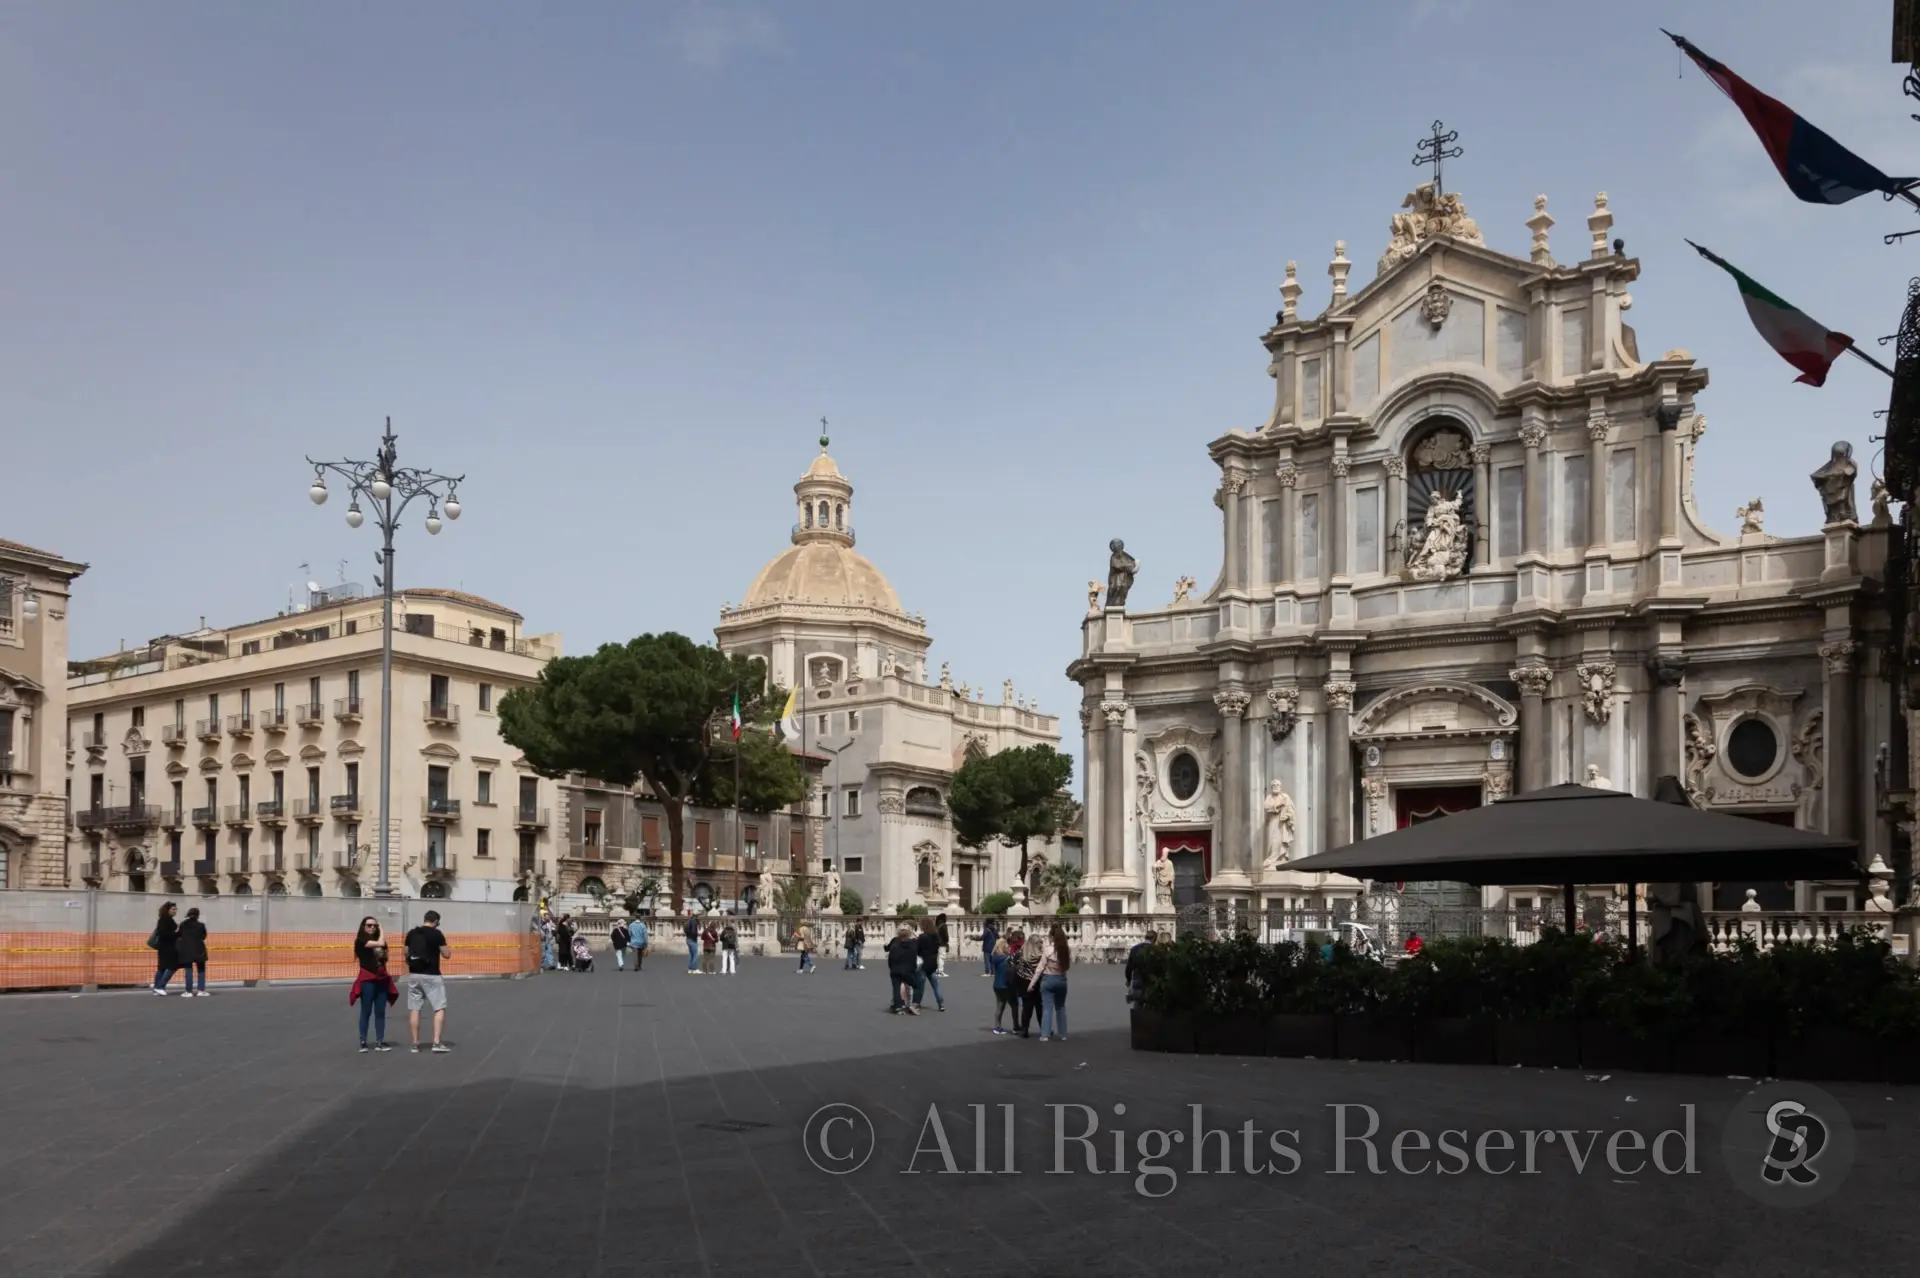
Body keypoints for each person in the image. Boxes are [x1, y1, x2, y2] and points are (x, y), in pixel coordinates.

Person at [403, 909, 452, 1054]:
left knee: (415, 1008)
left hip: (414, 974)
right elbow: (446, 954)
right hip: (432, 974)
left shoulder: (412, 933)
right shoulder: (436, 934)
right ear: (436, 922)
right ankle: (436, 1042)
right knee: (439, 1007)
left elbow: (405, 952)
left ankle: (415, 1043)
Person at [350, 917, 397, 1052]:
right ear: (363, 926)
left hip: (381, 979)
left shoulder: (380, 942)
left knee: (380, 1011)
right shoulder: (361, 941)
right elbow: (380, 943)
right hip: (367, 980)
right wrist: (382, 930)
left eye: (375, 926)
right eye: (369, 925)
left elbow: (385, 954)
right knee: (366, 1011)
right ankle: (363, 1041)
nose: (372, 928)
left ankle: (380, 1041)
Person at [1029, 924, 1072, 1041]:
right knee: (1061, 1007)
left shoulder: (1048, 950)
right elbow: (1066, 967)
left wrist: (1032, 983)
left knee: (1047, 1008)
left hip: (1048, 979)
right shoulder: (1065, 950)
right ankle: (1063, 1034)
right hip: (1061, 979)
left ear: (1052, 937)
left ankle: (1045, 1034)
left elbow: (1040, 968)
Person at [1009, 933, 1043, 1037]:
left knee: (1027, 1006)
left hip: (1023, 980)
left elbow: (1011, 961)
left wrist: (1019, 970)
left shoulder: (1021, 953)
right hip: (1037, 981)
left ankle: (1025, 1029)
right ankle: (1044, 1028)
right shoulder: (1041, 955)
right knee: (1039, 1006)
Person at [175, 907, 210, 997]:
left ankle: (188, 991)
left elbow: (179, 935)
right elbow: (203, 936)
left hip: (186, 950)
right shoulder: (201, 925)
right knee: (201, 970)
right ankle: (201, 990)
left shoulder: (183, 924)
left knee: (188, 970)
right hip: (199, 950)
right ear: (197, 915)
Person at [884, 925, 920, 1014]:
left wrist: (892, 968)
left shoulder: (895, 945)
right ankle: (911, 1004)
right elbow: (913, 959)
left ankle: (897, 1006)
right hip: (907, 970)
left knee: (896, 989)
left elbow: (890, 959)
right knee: (915, 986)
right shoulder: (913, 944)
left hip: (895, 970)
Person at [912, 916, 944, 1012]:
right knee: (935, 985)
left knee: (920, 986)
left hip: (923, 963)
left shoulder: (922, 937)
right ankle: (941, 1003)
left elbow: (917, 950)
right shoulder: (936, 935)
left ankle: (916, 1002)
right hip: (933, 963)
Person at [149, 902, 180, 996]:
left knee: (161, 968)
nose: (175, 911)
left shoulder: (165, 919)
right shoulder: (165, 920)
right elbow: (163, 933)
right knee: (172, 966)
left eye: (176, 909)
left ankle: (156, 988)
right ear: (168, 910)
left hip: (164, 947)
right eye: (173, 909)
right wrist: (177, 933)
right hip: (168, 947)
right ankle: (160, 987)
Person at [988, 938, 1016, 1033]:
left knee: (1000, 1006)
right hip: (1005, 985)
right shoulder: (1006, 959)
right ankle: (1016, 1026)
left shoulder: (995, 957)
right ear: (1003, 947)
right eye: (1007, 946)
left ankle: (997, 1027)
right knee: (1014, 1005)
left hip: (997, 985)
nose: (1009, 948)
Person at [934, 913, 951, 977]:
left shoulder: (936, 925)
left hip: (936, 943)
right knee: (942, 957)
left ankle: (937, 970)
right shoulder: (944, 925)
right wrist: (947, 941)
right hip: (942, 943)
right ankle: (940, 971)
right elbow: (945, 935)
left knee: (938, 957)